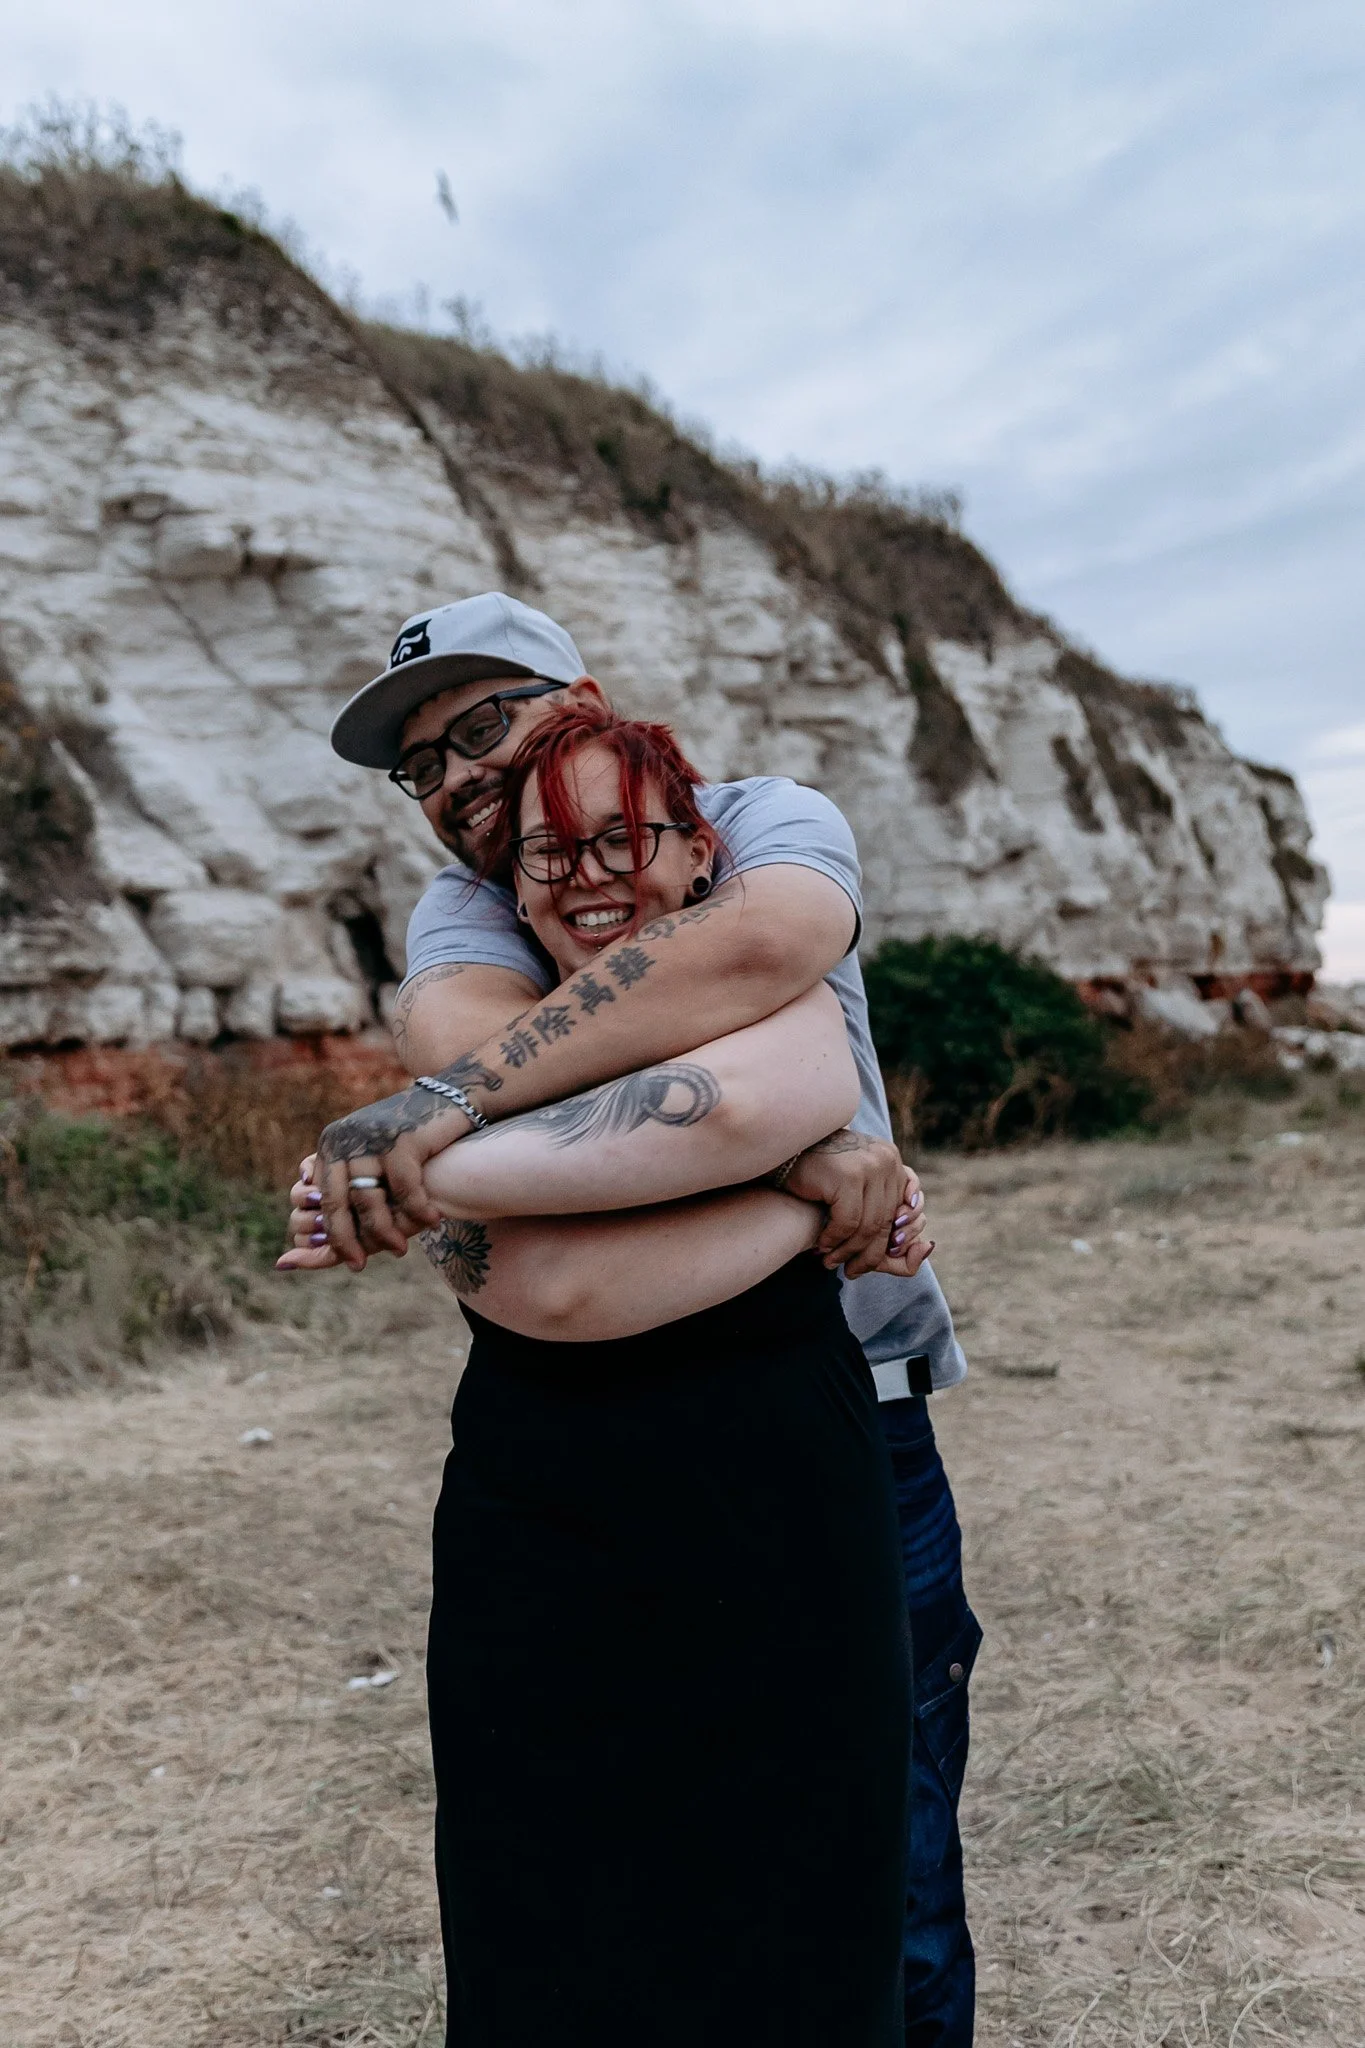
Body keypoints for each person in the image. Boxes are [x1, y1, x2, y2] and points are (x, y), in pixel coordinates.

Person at [305, 592, 982, 2043]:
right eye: (421, 764)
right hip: (580, 1437)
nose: (461, 777)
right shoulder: (467, 905)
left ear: (585, 693)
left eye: (486, 723)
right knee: (591, 1880)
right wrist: (809, 1176)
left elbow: (750, 963)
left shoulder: (759, 818)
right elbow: (510, 1127)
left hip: (847, 1404)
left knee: (885, 1880)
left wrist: (436, 1140)